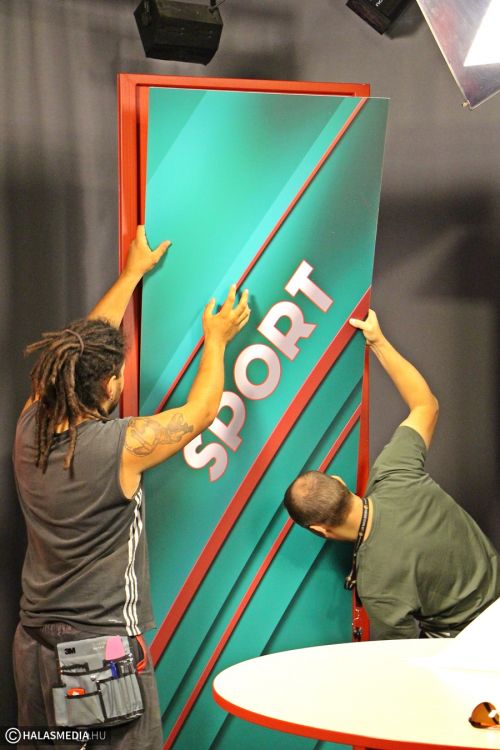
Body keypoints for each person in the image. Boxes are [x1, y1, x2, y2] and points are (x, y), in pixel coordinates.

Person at [12, 226, 250, 749]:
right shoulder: (119, 447)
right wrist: (216, 341)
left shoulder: (31, 421)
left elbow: (84, 346)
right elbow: (200, 413)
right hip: (96, 655)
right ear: (107, 385)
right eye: (117, 373)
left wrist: (131, 274)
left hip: (33, 644)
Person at [284, 309, 500, 639]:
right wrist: (378, 341)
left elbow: (399, 653)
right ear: (341, 483)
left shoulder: (376, 582)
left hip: (466, 644)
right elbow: (426, 405)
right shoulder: (394, 472)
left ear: (319, 529)